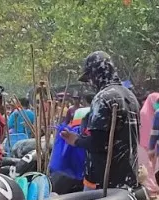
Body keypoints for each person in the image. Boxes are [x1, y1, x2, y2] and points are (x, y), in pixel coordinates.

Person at [60, 51, 140, 190]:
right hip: (129, 179)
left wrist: (75, 140)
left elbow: (98, 142)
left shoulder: (102, 98)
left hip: (105, 183)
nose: (90, 83)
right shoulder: (130, 95)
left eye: (89, 78)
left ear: (96, 73)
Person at [138, 92, 159, 196]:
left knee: (154, 167)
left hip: (155, 145)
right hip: (144, 145)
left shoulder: (157, 114)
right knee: (148, 167)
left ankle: (155, 188)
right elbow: (144, 131)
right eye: (157, 102)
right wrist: (149, 146)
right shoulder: (143, 113)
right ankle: (150, 189)